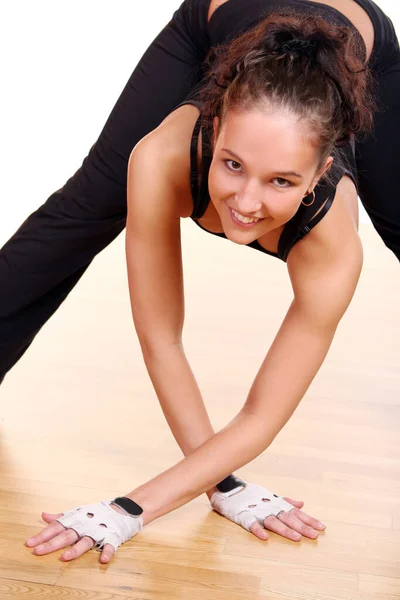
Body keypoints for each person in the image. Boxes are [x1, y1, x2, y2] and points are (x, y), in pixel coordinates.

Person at [1, 0, 397, 563]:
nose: (246, 203)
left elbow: (262, 414)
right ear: (213, 127)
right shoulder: (161, 159)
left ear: (322, 172)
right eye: (233, 164)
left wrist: (128, 509)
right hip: (221, 15)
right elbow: (161, 339)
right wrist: (222, 484)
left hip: (359, 32)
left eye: (282, 179)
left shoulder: (332, 243)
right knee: (89, 202)